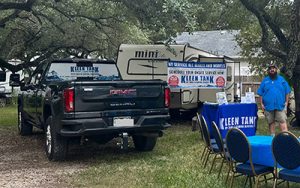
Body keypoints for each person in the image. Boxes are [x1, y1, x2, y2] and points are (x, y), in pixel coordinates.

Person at [257, 63, 291, 136]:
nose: (272, 69)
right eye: (270, 68)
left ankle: (286, 138)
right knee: (271, 122)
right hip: (268, 106)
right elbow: (260, 93)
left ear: (276, 70)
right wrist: (261, 104)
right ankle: (272, 138)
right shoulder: (265, 81)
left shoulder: (282, 80)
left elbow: (287, 91)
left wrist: (286, 103)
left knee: (282, 121)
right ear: (268, 71)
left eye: (274, 68)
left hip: (280, 105)